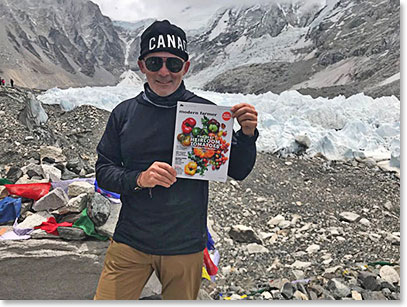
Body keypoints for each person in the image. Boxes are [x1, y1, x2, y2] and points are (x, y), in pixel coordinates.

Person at [94, 20, 259, 300]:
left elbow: (239, 170)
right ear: (141, 65)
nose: (163, 72)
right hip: (131, 241)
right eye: (155, 62)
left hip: (184, 246)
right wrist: (139, 178)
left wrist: (246, 134)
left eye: (173, 64)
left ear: (186, 67)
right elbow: (104, 171)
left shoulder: (208, 115)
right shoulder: (124, 114)